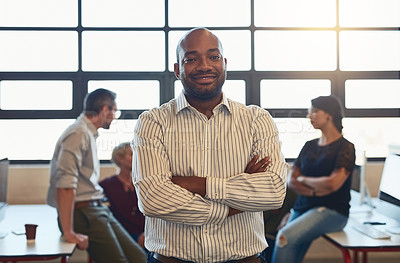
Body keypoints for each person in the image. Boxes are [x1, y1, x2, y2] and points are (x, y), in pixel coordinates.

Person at [132, 27, 288, 263]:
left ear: (224, 64)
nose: (204, 66)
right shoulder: (153, 121)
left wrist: (195, 184)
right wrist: (234, 203)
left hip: (244, 258)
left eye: (213, 57)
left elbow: (274, 193)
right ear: (177, 69)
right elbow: (153, 199)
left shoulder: (257, 119)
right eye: (191, 59)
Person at [46, 88, 146, 263]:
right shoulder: (78, 133)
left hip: (98, 208)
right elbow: (65, 184)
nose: (115, 116)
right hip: (84, 212)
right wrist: (68, 232)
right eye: (114, 110)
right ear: (105, 110)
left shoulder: (87, 134)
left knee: (140, 257)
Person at [271, 95, 356, 263]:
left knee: (285, 237)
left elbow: (333, 184)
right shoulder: (309, 145)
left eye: (315, 111)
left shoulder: (346, 147)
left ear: (329, 115)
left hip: (332, 212)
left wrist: (304, 179)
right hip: (303, 208)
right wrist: (317, 189)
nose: (310, 115)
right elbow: (292, 181)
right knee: (286, 241)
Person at [99, 142, 146, 248]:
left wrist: (146, 234)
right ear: (119, 158)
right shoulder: (107, 185)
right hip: (123, 234)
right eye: (131, 154)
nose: (136, 158)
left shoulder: (142, 182)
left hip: (146, 233)